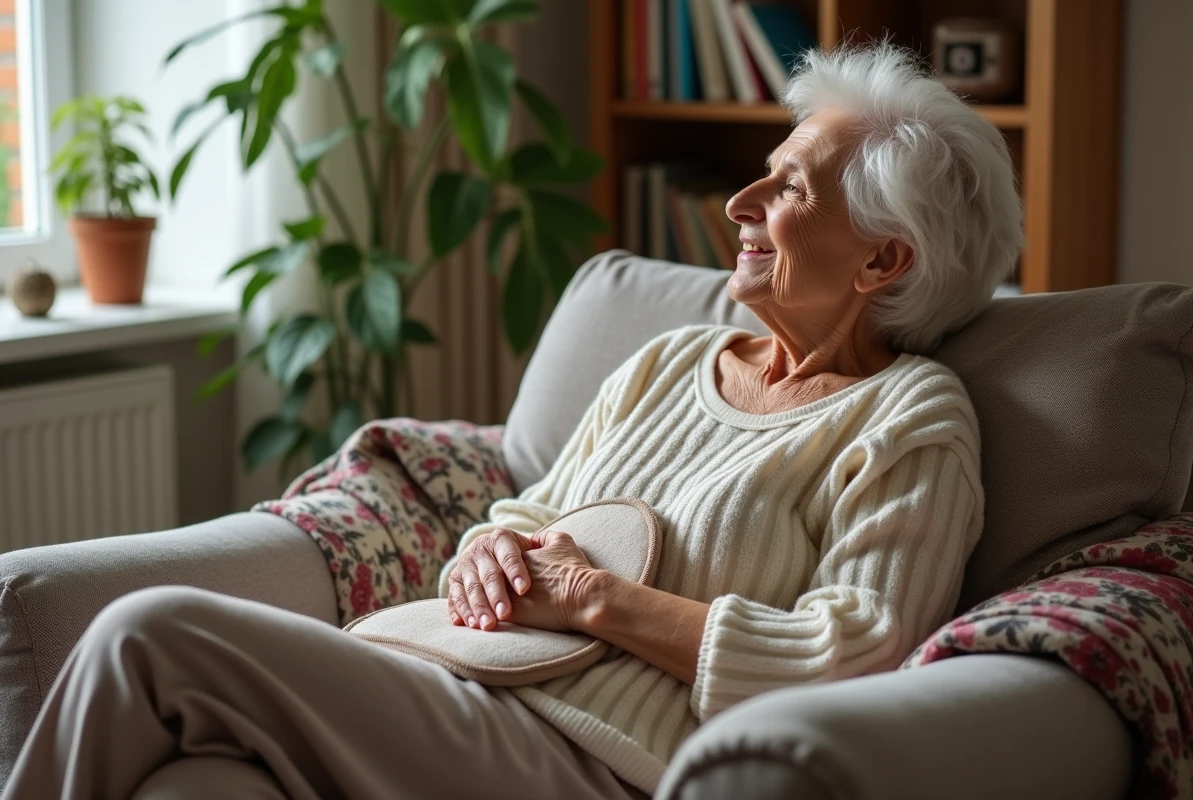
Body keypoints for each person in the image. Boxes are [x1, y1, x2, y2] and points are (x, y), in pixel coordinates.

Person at [2, 43, 1021, 800]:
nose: (740, 201)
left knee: (148, 629)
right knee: (197, 774)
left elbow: (856, 653)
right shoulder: (669, 361)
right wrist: (486, 552)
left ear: (885, 259)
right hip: (468, 685)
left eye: (788, 186)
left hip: (597, 759)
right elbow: (523, 515)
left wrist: (598, 602)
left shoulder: (910, 418)